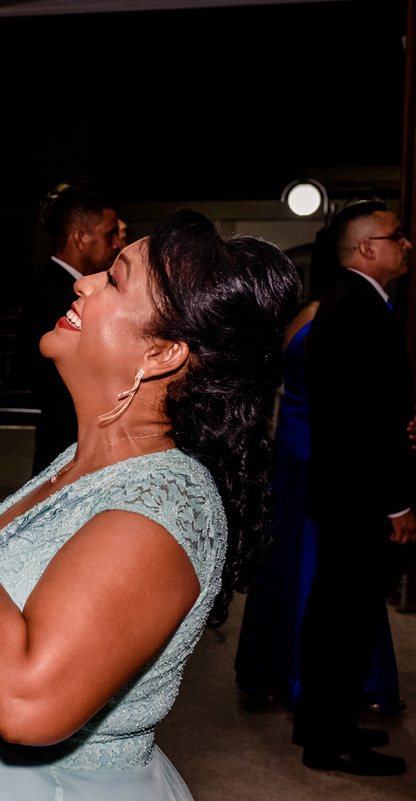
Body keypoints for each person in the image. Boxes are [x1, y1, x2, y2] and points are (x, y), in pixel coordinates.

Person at [0, 209, 299, 799]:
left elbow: (27, 704)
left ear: (162, 354)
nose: (84, 283)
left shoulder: (163, 506)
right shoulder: (88, 460)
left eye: (115, 279)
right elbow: (26, 579)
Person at [235, 226, 402, 713]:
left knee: (286, 553)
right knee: (327, 560)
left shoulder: (301, 316)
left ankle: (271, 669)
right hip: (325, 445)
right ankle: (325, 682)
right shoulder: (351, 313)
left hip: (290, 442)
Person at [293, 199, 414, 776]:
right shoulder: (356, 309)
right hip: (360, 494)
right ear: (367, 248)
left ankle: (321, 722)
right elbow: (363, 422)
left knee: (337, 615)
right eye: (397, 236)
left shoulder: (350, 301)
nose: (407, 244)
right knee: (346, 620)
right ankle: (329, 739)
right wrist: (398, 504)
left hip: (345, 490)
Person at [22, 183, 122, 475]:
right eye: (110, 234)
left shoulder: (52, 285)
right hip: (67, 444)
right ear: (80, 238)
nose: (116, 244)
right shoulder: (56, 295)